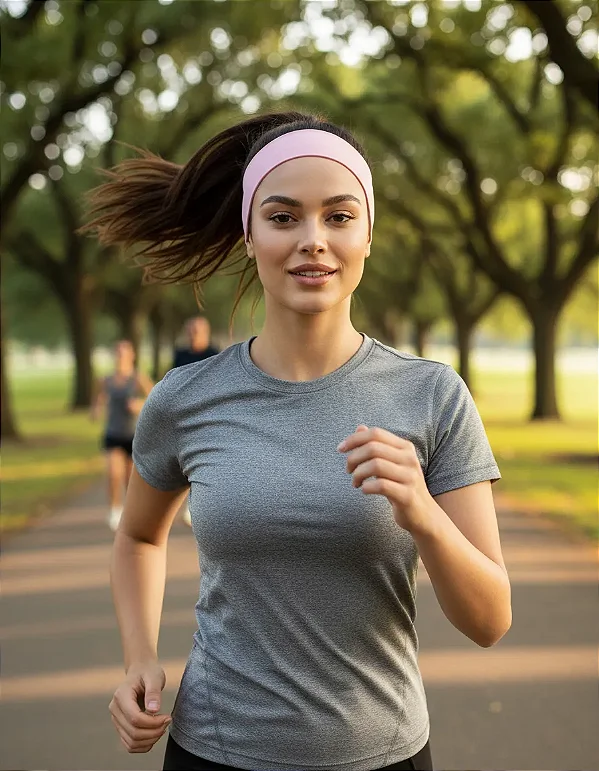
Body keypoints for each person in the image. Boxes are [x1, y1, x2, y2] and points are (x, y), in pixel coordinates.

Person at [82, 111, 512, 771]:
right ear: (249, 235)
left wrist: (423, 514)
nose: (313, 240)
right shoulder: (186, 397)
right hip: (213, 752)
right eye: (283, 217)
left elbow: (489, 620)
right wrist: (139, 658)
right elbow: (138, 536)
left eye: (339, 216)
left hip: (384, 754)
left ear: (367, 234)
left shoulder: (432, 395)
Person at [90, 340, 153, 531]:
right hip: (113, 433)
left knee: (129, 479)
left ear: (132, 355)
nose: (120, 357)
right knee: (113, 473)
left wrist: (139, 405)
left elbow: (155, 400)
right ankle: (114, 509)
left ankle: (130, 513)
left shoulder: (138, 378)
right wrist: (96, 409)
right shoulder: (105, 380)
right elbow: (97, 401)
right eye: (117, 353)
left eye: (124, 353)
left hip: (133, 435)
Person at [170, 316, 221, 527]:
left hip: (208, 415)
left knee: (202, 461)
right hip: (184, 414)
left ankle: (194, 507)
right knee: (185, 462)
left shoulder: (215, 354)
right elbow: (173, 381)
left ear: (206, 332)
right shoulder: (180, 354)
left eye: (198, 331)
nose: (194, 334)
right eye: (191, 330)